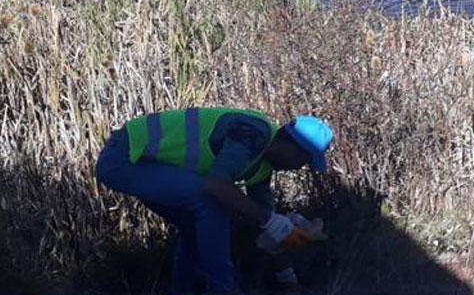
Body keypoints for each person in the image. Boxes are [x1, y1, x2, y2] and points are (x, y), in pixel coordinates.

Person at [95, 107, 333, 294]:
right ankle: (224, 290)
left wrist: (288, 277)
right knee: (210, 201)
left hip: (151, 167)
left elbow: (268, 227)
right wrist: (270, 220)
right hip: (124, 157)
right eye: (303, 161)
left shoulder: (261, 168)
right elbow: (215, 185)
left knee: (194, 227)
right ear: (291, 148)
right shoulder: (254, 132)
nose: (299, 168)